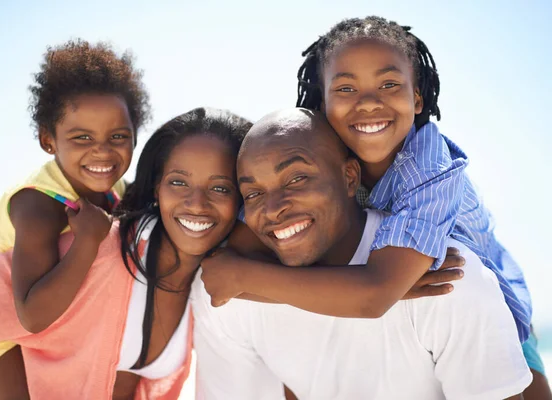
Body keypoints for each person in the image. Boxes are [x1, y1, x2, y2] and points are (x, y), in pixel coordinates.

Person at [201, 16, 550, 397]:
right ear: (322, 104)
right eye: (347, 88)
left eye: (389, 84)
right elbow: (235, 262)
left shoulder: (431, 171)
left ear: (417, 98)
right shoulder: (318, 156)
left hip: (497, 305)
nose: (368, 102)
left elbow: (373, 293)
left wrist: (244, 279)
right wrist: (236, 274)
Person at [0, 107, 250, 399]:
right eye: (178, 182)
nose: (197, 203)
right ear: (157, 187)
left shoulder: (211, 284)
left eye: (221, 189)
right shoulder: (100, 251)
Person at [0, 39, 150, 399]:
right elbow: (32, 314)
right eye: (82, 137)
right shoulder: (38, 205)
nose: (103, 151)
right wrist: (88, 242)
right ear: (49, 140)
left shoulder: (117, 187)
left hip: (62, 322)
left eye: (118, 136)